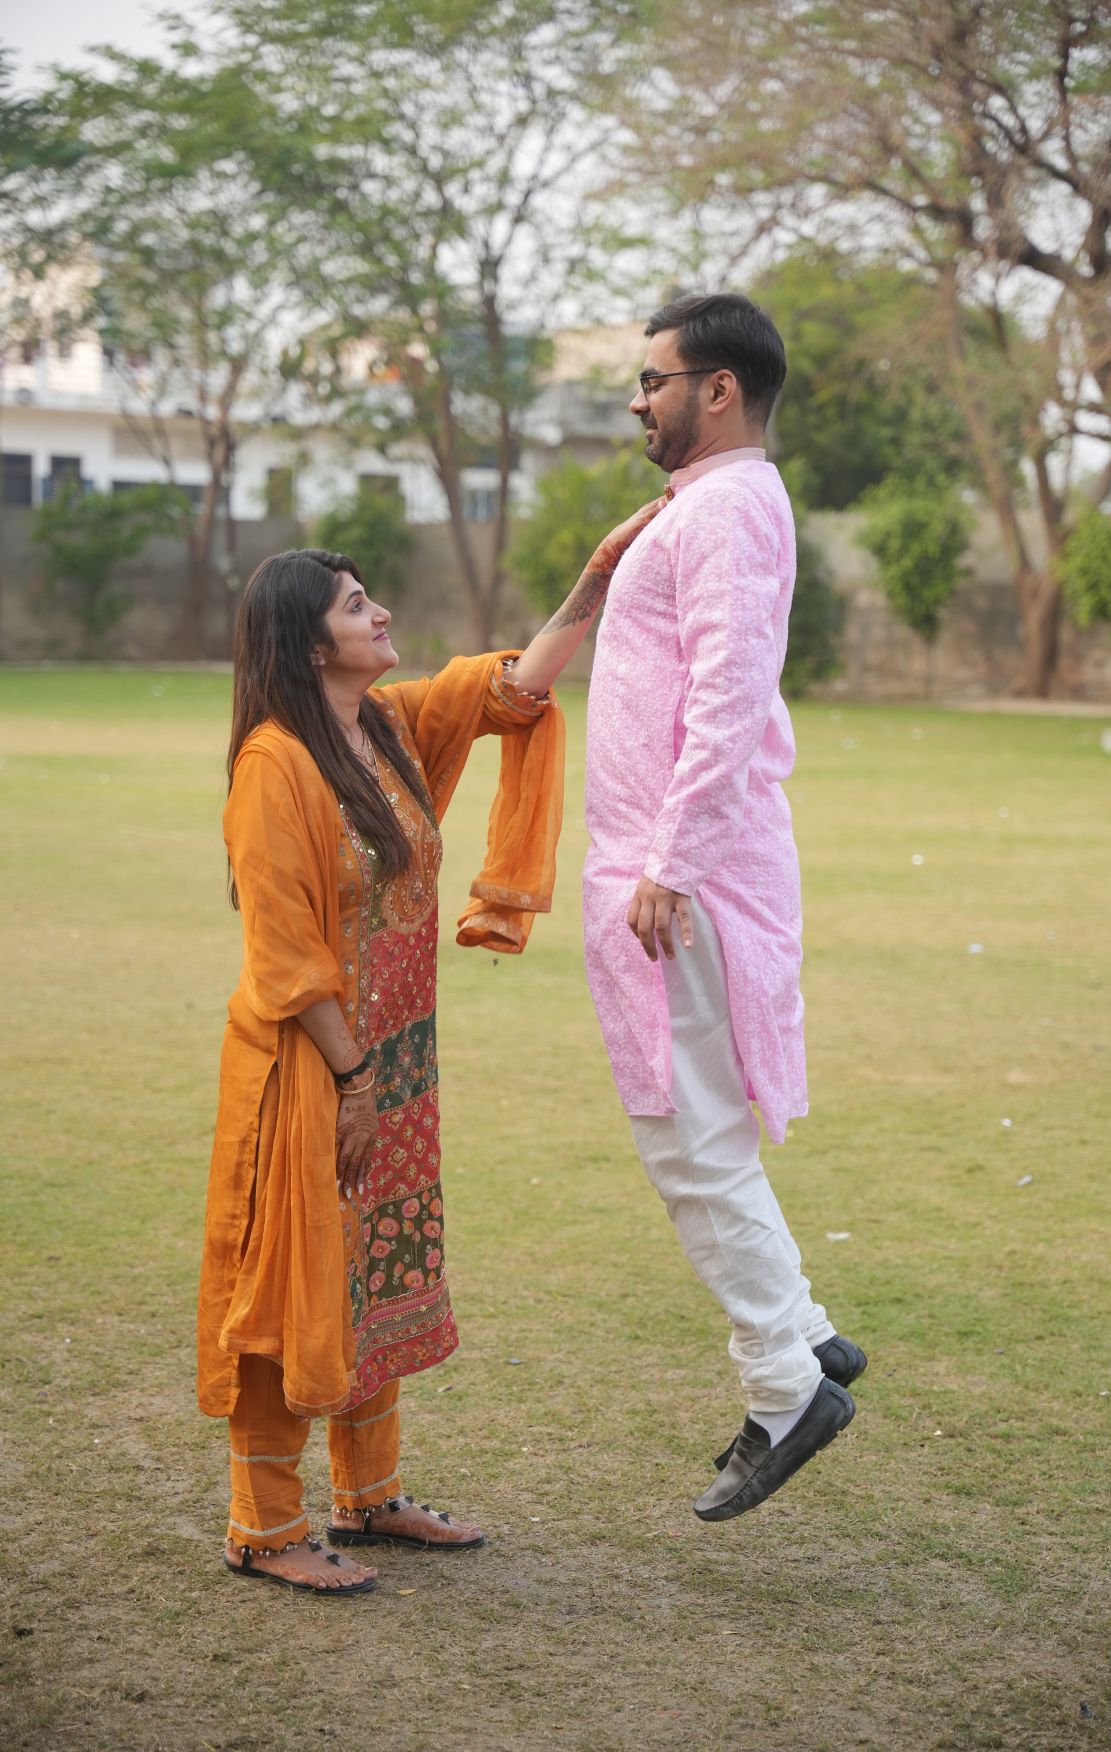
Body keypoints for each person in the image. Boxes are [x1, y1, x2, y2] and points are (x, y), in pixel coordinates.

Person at [198, 517, 660, 1595]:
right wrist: (352, 1079)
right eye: (357, 605)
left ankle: (367, 1495)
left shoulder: (388, 725)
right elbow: (284, 955)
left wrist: (595, 578)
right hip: (312, 1071)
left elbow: (514, 689)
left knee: (376, 1268)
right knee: (298, 1281)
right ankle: (263, 1527)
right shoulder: (274, 765)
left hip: (396, 1064)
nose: (382, 613)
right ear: (310, 644)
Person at [568, 292, 867, 1522]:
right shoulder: (708, 505)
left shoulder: (732, 507)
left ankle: (786, 1388)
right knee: (700, 1136)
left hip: (678, 881)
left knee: (689, 1144)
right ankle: (808, 1332)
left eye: (655, 379)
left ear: (719, 389)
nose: (639, 400)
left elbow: (731, 691)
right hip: (664, 871)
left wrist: (673, 863)